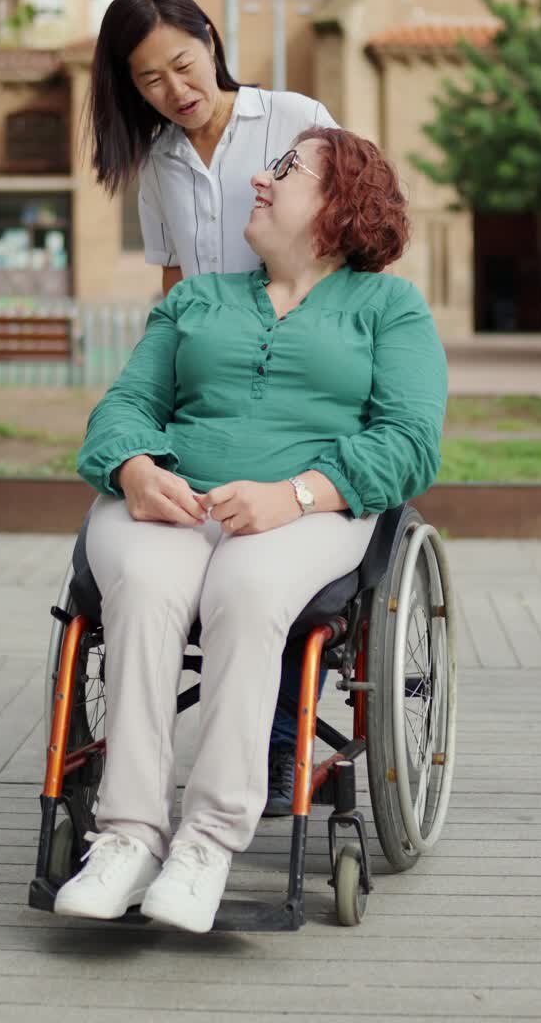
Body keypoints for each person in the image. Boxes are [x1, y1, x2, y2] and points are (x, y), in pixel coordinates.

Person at [55, 125, 448, 933]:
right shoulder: (197, 298)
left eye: (285, 170)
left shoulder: (389, 308)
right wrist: (134, 469)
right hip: (173, 502)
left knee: (247, 584)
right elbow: (123, 407)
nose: (260, 182)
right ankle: (127, 838)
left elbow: (409, 442)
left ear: (340, 202)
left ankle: (205, 843)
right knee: (147, 582)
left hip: (310, 513)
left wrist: (297, 495)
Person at [87, 0, 340, 814]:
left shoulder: (294, 119)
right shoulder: (156, 161)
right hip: (202, 372)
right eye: (150, 80)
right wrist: (147, 403)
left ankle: (271, 742)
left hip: (295, 372)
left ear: (209, 37)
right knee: (153, 544)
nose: (176, 91)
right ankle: (137, 782)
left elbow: (353, 238)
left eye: (184, 65)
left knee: (253, 560)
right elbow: (171, 282)